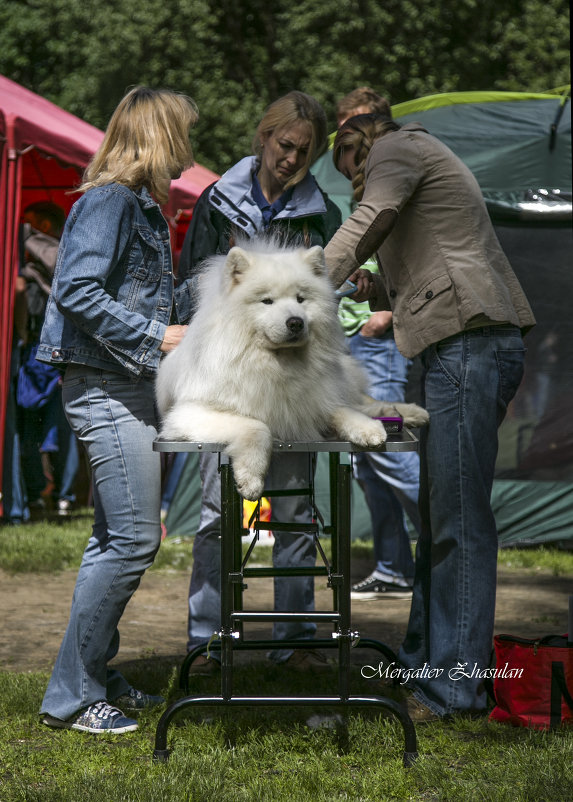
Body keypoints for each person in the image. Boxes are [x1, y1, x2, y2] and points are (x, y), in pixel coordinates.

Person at [324, 113, 535, 720]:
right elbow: (433, 258)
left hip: (468, 345)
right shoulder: (421, 154)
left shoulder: (396, 147)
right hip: (463, 345)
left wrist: (307, 278)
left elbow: (373, 216)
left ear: (362, 147)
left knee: (460, 522)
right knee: (443, 517)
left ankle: (455, 690)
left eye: (353, 173)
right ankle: (425, 669)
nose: (357, 188)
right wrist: (374, 290)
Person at [36, 85, 199, 734]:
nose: (191, 144)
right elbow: (75, 287)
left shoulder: (139, 205)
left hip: (122, 382)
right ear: (160, 134)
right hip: (105, 385)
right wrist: (155, 337)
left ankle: (94, 672)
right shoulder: (108, 200)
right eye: (185, 131)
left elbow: (140, 295)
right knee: (133, 540)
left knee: (113, 538)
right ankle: (71, 697)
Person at [178, 90, 341, 673]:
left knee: (295, 511)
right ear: (263, 137)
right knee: (216, 515)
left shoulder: (323, 215)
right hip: (224, 382)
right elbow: (185, 290)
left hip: (295, 389)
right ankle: (207, 643)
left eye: (303, 150)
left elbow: (328, 308)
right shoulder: (215, 202)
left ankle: (293, 640)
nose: (291, 158)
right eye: (283, 144)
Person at [327, 88, 422, 600]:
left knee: (389, 446)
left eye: (355, 130)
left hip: (376, 346)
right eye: (342, 130)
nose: (348, 141)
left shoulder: (396, 172)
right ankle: (393, 567)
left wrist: (384, 313)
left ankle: (442, 546)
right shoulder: (361, 185)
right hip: (346, 343)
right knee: (366, 459)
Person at [17, 202, 80, 517]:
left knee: (35, 427)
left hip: (40, 358)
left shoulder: (31, 270)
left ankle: (40, 495)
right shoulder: (70, 262)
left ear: (42, 226)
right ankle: (60, 497)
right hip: (61, 359)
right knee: (60, 428)